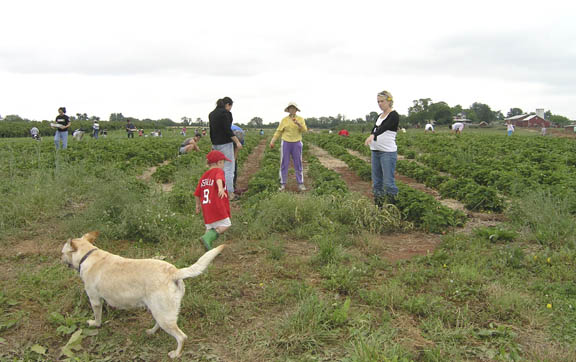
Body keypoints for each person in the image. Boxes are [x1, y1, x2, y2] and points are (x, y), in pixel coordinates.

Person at [364, 90, 399, 207]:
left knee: (388, 183)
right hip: (375, 152)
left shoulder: (393, 115)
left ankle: (392, 209)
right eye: (378, 101)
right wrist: (371, 136)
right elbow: (375, 128)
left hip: (387, 153)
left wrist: (374, 135)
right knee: (377, 183)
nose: (380, 104)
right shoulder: (379, 116)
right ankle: (378, 207)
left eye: (382, 101)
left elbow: (384, 127)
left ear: (389, 101)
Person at [195, 150, 232, 250]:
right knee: (226, 224)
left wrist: (197, 205)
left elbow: (197, 193)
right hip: (216, 205)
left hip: (206, 206)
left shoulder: (203, 176)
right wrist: (220, 188)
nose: (223, 165)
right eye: (223, 162)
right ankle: (207, 238)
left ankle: (207, 246)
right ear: (219, 162)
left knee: (210, 227)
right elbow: (219, 178)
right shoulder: (218, 171)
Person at [208, 97, 243, 197]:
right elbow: (228, 130)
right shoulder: (225, 113)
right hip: (225, 144)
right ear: (228, 105)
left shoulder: (212, 114)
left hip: (215, 144)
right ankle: (229, 193)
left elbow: (211, 130)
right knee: (228, 168)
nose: (230, 109)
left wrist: (213, 144)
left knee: (215, 168)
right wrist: (237, 142)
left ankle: (216, 191)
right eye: (230, 107)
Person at [270, 102, 308, 191]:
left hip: (297, 143)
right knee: (284, 163)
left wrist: (298, 124)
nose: (292, 110)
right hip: (286, 143)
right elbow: (278, 131)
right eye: (290, 108)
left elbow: (304, 130)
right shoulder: (284, 120)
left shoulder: (301, 119)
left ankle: (300, 183)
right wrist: (272, 141)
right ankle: (283, 183)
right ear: (288, 110)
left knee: (298, 163)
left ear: (296, 110)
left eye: (294, 108)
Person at [231, 124, 245, 191]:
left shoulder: (241, 135)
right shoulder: (228, 133)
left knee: (234, 165)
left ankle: (233, 185)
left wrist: (233, 162)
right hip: (225, 141)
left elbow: (236, 149)